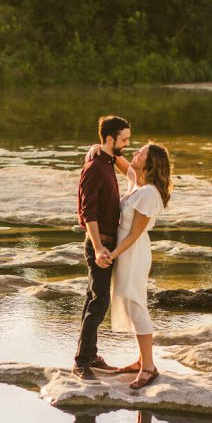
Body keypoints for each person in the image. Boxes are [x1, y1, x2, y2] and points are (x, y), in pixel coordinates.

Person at [104, 142, 172, 390]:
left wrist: (112, 255)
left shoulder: (149, 193)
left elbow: (133, 234)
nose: (135, 153)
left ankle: (149, 367)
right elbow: (122, 164)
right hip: (125, 251)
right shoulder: (138, 184)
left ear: (150, 161)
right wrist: (102, 148)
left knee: (136, 304)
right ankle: (141, 360)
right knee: (130, 302)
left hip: (132, 252)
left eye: (140, 153)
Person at [73, 116, 132, 380]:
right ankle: (82, 362)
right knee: (100, 301)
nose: (127, 144)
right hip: (100, 243)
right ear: (110, 139)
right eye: (124, 139)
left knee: (93, 299)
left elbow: (130, 169)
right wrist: (98, 248)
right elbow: (88, 213)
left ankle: (90, 355)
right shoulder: (95, 168)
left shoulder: (105, 162)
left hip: (107, 242)